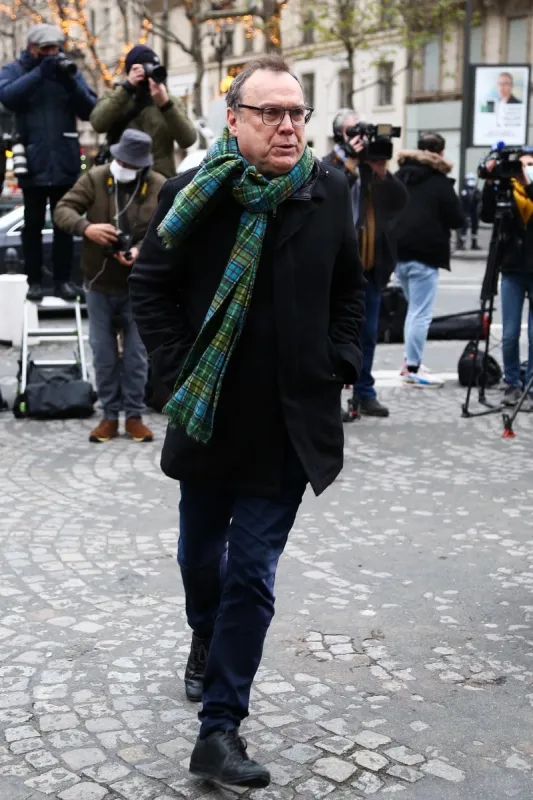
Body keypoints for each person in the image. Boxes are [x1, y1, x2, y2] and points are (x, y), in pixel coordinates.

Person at [129, 55, 365, 789]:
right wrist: (175, 376)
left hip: (290, 424)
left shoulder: (328, 190)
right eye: (271, 113)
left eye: (297, 112)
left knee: (252, 577)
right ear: (234, 120)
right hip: (209, 417)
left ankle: (220, 727)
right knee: (201, 561)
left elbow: (349, 291)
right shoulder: (193, 193)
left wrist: (339, 361)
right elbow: (150, 287)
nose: (289, 125)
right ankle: (205, 635)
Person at [54, 130, 165, 442]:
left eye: (131, 162)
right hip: (99, 284)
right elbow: (62, 210)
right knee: (102, 354)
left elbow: (166, 227)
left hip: (137, 287)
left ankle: (134, 416)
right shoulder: (95, 178)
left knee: (136, 356)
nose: (123, 165)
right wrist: (86, 228)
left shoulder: (156, 185)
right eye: (121, 159)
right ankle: (108, 416)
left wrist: (142, 249)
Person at [0, 23, 96, 302]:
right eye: (46, 50)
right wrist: (39, 73)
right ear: (32, 48)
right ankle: (34, 282)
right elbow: (7, 97)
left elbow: (91, 109)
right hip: (31, 158)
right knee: (31, 224)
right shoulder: (16, 70)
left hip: (64, 160)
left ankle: (63, 281)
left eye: (56, 48)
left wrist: (70, 81)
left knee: (64, 223)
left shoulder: (66, 71)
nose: (53, 54)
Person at [322, 109, 408, 419]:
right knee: (331, 335)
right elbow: (328, 194)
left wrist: (381, 170)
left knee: (368, 334)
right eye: (351, 132)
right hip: (334, 271)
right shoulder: (328, 165)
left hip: (369, 268)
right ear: (339, 136)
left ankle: (364, 392)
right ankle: (329, 395)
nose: (359, 138)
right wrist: (348, 162)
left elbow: (399, 200)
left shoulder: (370, 167)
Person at [394, 132, 464, 387]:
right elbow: (457, 219)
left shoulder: (400, 175)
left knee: (413, 312)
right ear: (441, 153)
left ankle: (409, 362)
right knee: (420, 314)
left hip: (397, 253)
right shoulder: (439, 181)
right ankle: (412, 368)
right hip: (425, 254)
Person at [90, 45, 196, 179]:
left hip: (159, 182)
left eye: (152, 68)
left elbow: (188, 140)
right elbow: (98, 123)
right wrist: (126, 89)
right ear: (129, 71)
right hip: (121, 181)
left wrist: (165, 105)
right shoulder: (116, 96)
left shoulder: (169, 100)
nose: (147, 74)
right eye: (140, 69)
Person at [481, 148, 533, 407]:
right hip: (512, 268)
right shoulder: (507, 191)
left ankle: (531, 384)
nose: (524, 170)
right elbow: (487, 215)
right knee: (510, 333)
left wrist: (529, 185)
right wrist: (490, 183)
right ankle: (512, 381)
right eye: (521, 165)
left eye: (531, 164)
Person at [459, 173, 482, 251]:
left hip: (474, 212)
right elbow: (462, 201)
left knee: (474, 229)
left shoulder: (477, 191)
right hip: (465, 212)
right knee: (464, 228)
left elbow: (479, 201)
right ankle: (462, 244)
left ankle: (474, 244)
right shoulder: (464, 191)